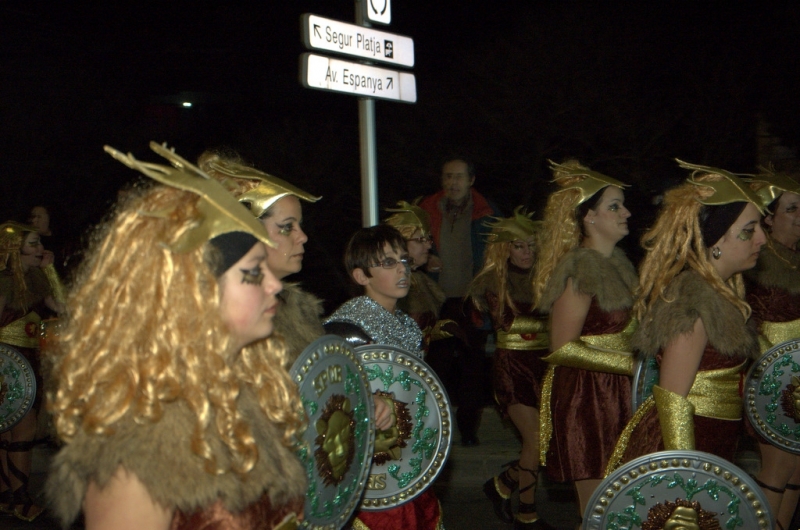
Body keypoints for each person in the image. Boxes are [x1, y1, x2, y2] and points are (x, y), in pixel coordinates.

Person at [46, 143, 306, 530]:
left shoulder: (251, 400)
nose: (272, 284)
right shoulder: (135, 455)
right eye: (253, 271)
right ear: (195, 291)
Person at [607, 161, 764, 480]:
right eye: (749, 231)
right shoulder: (693, 301)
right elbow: (672, 401)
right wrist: (684, 482)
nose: (761, 239)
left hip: (713, 443)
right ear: (717, 240)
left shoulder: (718, 296)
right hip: (687, 450)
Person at [532, 159, 637, 523]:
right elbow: (562, 347)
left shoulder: (620, 266)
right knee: (599, 511)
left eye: (622, 204)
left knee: (624, 507)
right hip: (587, 398)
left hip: (619, 393)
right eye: (614, 206)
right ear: (589, 218)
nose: (626, 212)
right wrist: (629, 364)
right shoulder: (579, 269)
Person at [324, 224, 442, 530]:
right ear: (362, 276)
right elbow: (326, 399)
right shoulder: (345, 329)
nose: (402, 268)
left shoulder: (408, 326)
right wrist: (364, 401)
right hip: (367, 478)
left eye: (403, 259)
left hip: (405, 466)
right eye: (388, 262)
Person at [468, 208, 553, 529]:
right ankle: (526, 513)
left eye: (531, 245)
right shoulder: (494, 280)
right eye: (519, 246)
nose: (527, 252)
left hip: (542, 365)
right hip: (512, 368)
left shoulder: (545, 278)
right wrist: (549, 321)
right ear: (505, 248)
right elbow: (508, 323)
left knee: (541, 443)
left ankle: (502, 484)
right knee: (535, 441)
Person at [198, 151, 324, 362]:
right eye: (286, 227)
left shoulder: (302, 311)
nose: (302, 237)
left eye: (299, 226)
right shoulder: (214, 320)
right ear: (247, 231)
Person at [419, 156, 500, 446]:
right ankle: (433, 428)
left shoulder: (487, 213)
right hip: (436, 301)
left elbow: (499, 256)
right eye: (447, 177)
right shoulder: (426, 210)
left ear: (471, 180)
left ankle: (468, 430)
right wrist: (425, 258)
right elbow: (407, 244)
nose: (452, 183)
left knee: (473, 369)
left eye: (458, 177)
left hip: (471, 303)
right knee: (433, 366)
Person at [744, 168, 800, 530]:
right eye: (793, 209)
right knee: (778, 470)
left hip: (799, 385)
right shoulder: (757, 264)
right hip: (773, 389)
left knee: (796, 469)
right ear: (768, 217)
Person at [0, 221, 64, 521]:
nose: (40, 249)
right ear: (15, 248)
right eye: (34, 244)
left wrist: (50, 270)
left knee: (15, 430)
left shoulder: (38, 279)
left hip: (29, 358)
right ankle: (18, 498)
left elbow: (64, 307)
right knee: (18, 430)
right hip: (8, 364)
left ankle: (9, 496)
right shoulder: (3, 282)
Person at [384, 200, 460, 354]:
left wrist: (444, 328)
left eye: (428, 239)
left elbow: (420, 330)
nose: (429, 246)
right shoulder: (391, 283)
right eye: (420, 240)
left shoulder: (420, 280)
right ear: (401, 242)